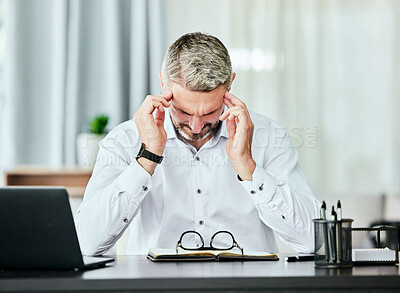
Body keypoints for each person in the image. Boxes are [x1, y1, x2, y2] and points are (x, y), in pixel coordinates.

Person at [76, 32, 320, 256]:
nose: (195, 126)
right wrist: (148, 157)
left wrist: (248, 167)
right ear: (163, 84)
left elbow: (312, 239)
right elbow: (88, 242)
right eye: (183, 111)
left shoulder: (269, 136)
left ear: (230, 85)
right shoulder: (124, 140)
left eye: (210, 112)